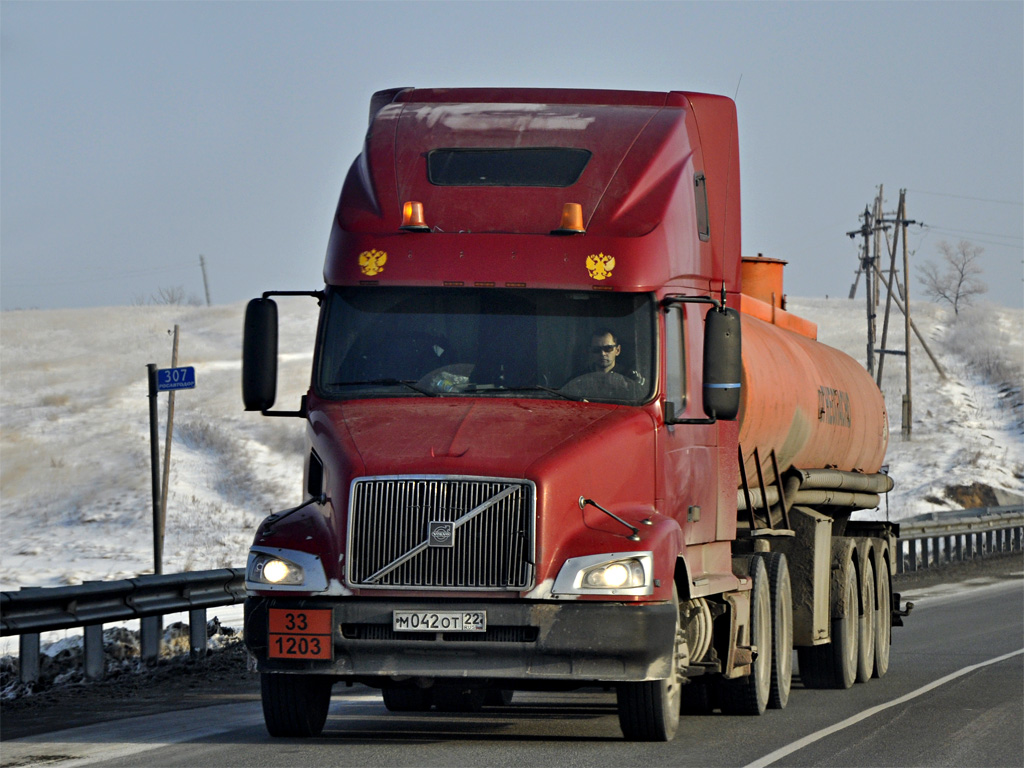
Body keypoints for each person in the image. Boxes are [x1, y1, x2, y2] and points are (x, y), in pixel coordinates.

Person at [562, 328, 646, 400]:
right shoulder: (579, 379)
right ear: (590, 351)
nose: (602, 353)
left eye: (608, 348)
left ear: (617, 350)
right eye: (596, 349)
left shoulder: (631, 378)